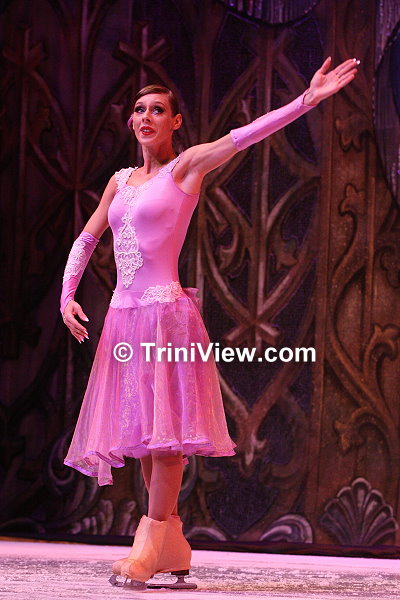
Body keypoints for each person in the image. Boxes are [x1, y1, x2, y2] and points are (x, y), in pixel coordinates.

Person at [60, 56, 359, 589]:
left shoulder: (187, 167)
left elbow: (244, 136)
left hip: (166, 318)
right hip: (124, 319)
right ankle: (170, 542)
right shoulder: (120, 181)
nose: (146, 117)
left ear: (175, 121)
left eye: (158, 110)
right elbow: (87, 238)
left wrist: (305, 101)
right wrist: (66, 295)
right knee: (143, 435)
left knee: (165, 439)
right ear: (130, 121)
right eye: (139, 109)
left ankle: (152, 543)